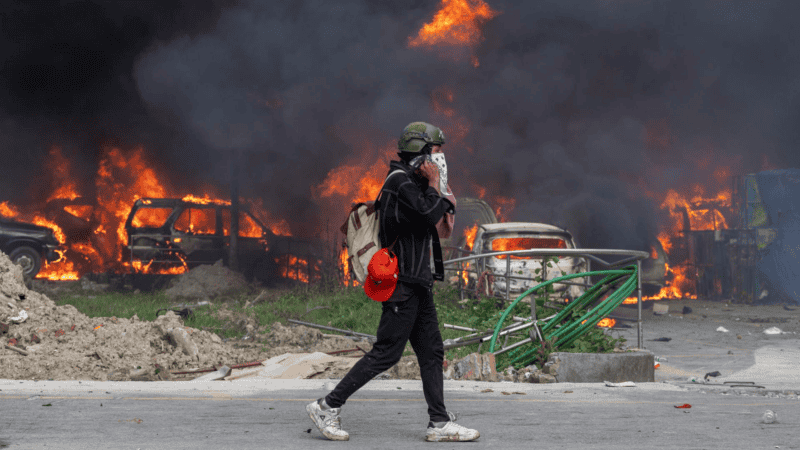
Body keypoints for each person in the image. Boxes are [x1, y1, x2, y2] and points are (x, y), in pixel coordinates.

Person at [306, 122, 480, 442]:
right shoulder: (399, 183)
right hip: (402, 285)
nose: (440, 159)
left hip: (418, 283)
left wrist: (435, 185)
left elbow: (438, 214)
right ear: (420, 152)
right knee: (386, 353)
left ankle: (439, 423)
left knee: (431, 352)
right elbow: (430, 213)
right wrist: (436, 182)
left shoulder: (412, 183)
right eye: (436, 152)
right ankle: (326, 405)